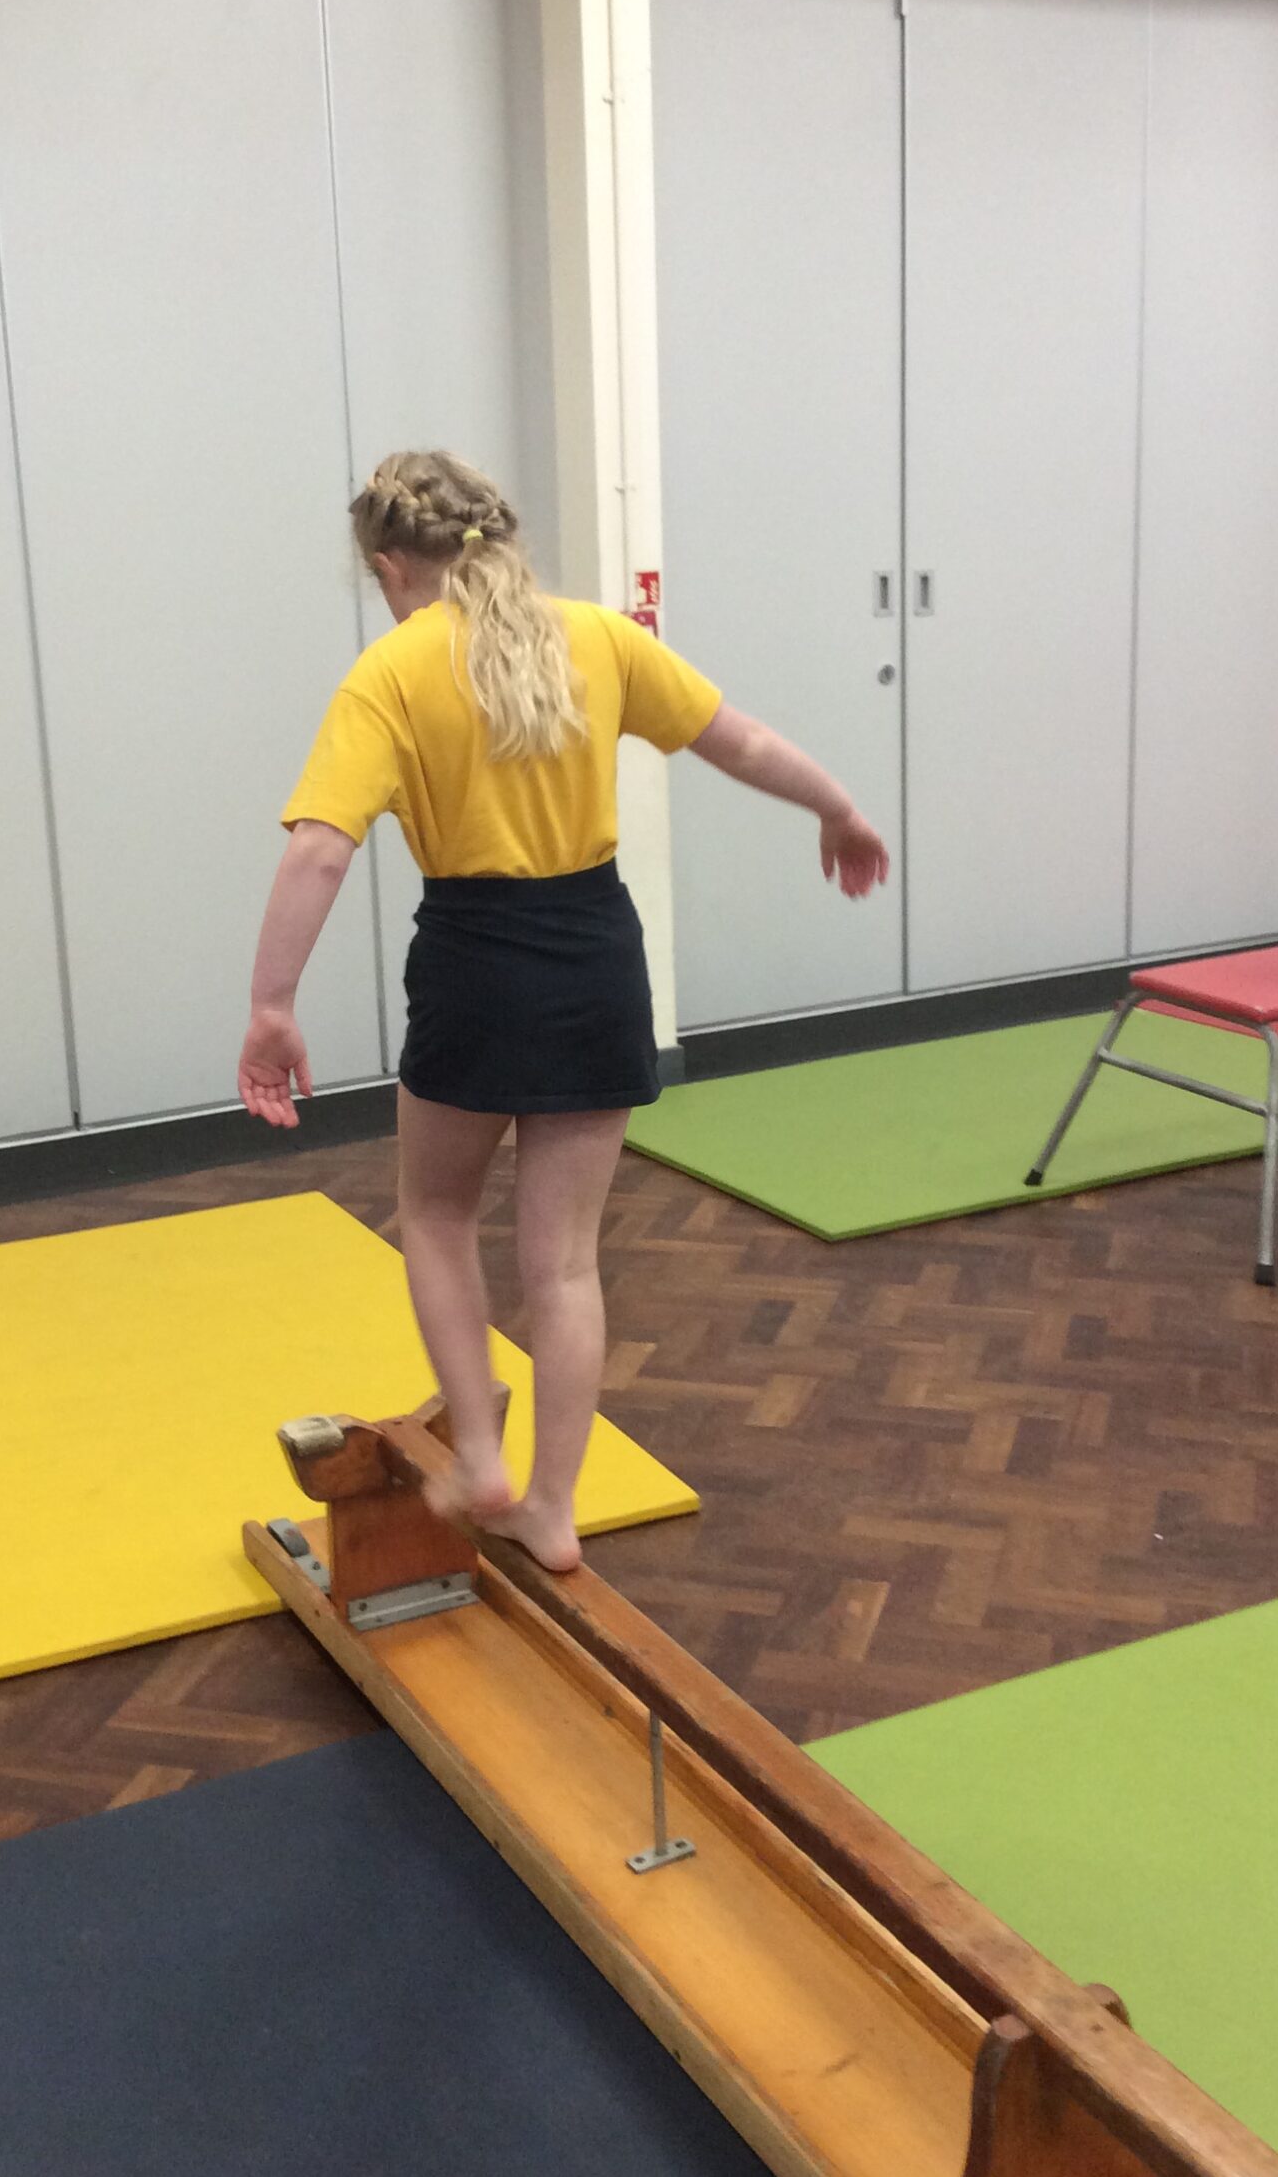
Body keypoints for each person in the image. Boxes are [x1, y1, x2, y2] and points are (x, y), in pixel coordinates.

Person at [239, 450, 888, 1571]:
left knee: (437, 1214)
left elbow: (319, 851)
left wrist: (271, 1005)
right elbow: (737, 738)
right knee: (566, 1264)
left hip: (475, 963)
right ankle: (550, 1506)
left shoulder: (391, 671)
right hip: (594, 957)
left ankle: (482, 1453)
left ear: (392, 567)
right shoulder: (597, 638)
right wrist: (837, 807)